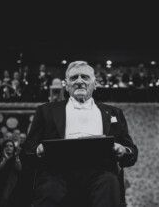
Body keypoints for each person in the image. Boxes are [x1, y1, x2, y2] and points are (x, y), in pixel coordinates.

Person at [22, 61, 138, 207]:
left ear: (95, 84)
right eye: (73, 78)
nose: (79, 81)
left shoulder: (114, 113)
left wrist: (123, 150)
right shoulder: (46, 111)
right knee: (50, 189)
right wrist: (38, 150)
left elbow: (131, 151)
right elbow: (26, 152)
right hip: (57, 173)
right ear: (66, 85)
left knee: (109, 183)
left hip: (101, 174)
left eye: (85, 77)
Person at [0, 139, 22, 207]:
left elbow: (19, 169)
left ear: (13, 148)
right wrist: (5, 159)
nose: (8, 147)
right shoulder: (1, 157)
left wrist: (17, 157)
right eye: (6, 146)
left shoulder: (15, 158)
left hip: (10, 185)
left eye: (11, 146)